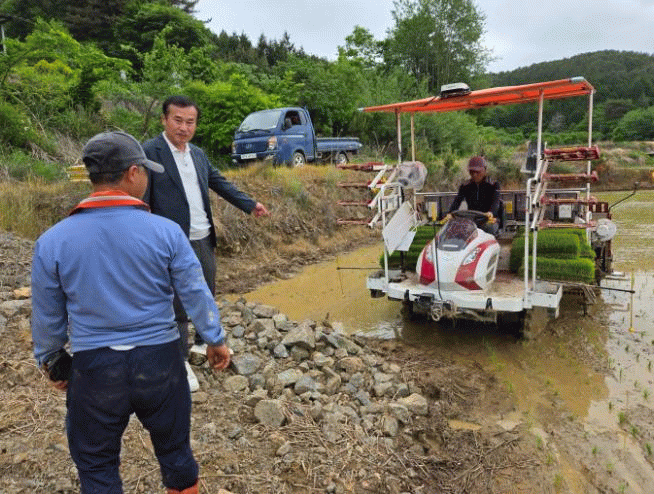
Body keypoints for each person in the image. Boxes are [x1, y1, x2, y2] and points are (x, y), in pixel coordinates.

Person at [31, 131, 231, 494]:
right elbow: (195, 291)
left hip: (95, 369)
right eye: (146, 171)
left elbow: (47, 314)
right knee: (176, 454)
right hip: (160, 365)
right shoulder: (167, 232)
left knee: (97, 466)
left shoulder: (52, 241)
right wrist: (214, 339)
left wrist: (53, 361)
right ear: (133, 173)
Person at [142, 96, 269, 385]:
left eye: (190, 122)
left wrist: (250, 204)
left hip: (202, 236)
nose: (184, 127)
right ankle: (179, 361)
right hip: (171, 242)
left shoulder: (197, 154)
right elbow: (143, 199)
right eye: (177, 120)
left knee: (205, 291)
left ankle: (203, 341)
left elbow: (219, 182)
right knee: (176, 304)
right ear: (164, 120)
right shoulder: (150, 152)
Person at [447, 155, 502, 235]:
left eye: (477, 172)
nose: (474, 175)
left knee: (489, 228)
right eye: (472, 172)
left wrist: (491, 213)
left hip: (490, 219)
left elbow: (496, 203)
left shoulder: (493, 185)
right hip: (472, 220)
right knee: (455, 229)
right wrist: (450, 213)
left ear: (485, 170)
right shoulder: (465, 186)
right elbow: (457, 201)